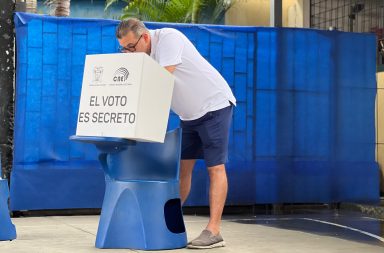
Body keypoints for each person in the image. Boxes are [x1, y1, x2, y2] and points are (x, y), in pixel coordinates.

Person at [116, 18, 236, 249]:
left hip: (214, 105)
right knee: (183, 170)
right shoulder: (138, 55)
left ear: (145, 37)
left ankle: (214, 231)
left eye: (131, 47)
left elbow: (160, 81)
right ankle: (166, 221)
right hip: (189, 114)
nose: (128, 53)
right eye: (123, 48)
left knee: (215, 167)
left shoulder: (169, 38)